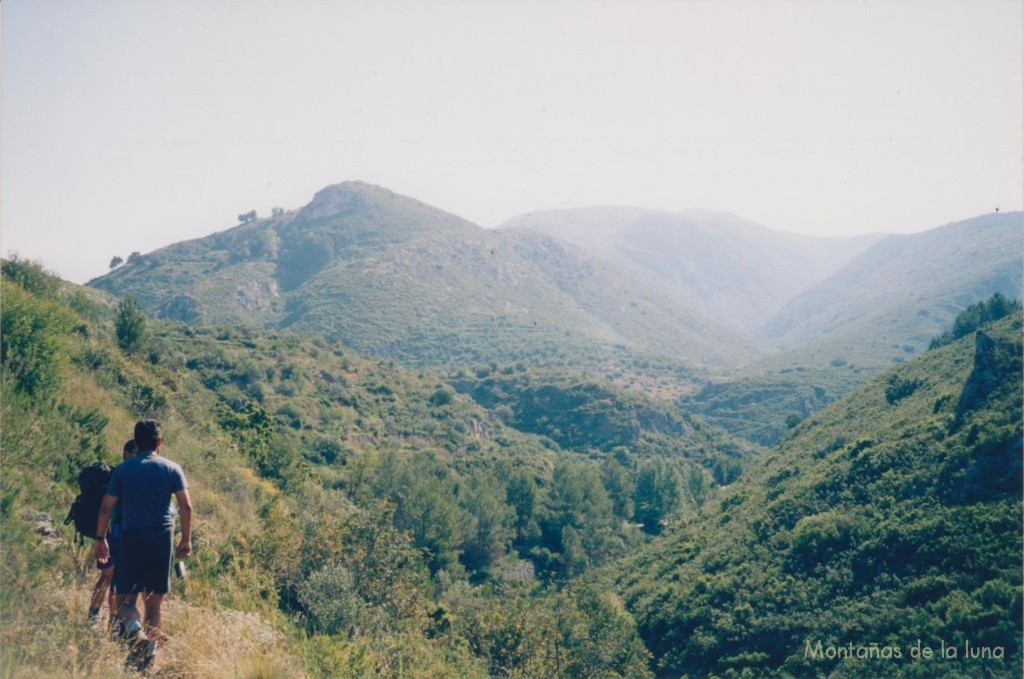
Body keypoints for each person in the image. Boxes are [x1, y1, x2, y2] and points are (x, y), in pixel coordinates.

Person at [95, 419, 192, 670]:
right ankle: (148, 662)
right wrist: (186, 539)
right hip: (162, 537)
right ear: (159, 442)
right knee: (154, 604)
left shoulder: (124, 470)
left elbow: (107, 507)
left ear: (136, 442)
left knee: (125, 601)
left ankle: (137, 636)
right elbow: (186, 507)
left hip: (131, 537)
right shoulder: (172, 468)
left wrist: (100, 538)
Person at [87, 439, 138, 631]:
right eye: (133, 452)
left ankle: (100, 617)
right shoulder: (120, 476)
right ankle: (107, 620)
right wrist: (102, 537)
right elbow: (107, 508)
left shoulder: (122, 474)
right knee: (111, 577)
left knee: (110, 577)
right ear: (126, 453)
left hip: (112, 535)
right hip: (112, 535)